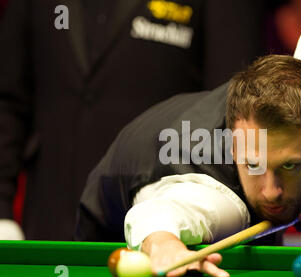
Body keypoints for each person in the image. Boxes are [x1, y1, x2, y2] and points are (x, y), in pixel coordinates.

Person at [75, 15, 301, 277]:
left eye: (289, 165)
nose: (272, 191)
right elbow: (155, 215)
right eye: (254, 164)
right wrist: (163, 244)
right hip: (112, 222)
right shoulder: (215, 198)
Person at [0, 0, 263, 240]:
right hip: (50, 222)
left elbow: (235, 111)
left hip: (165, 225)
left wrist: (180, 222)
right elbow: (8, 101)